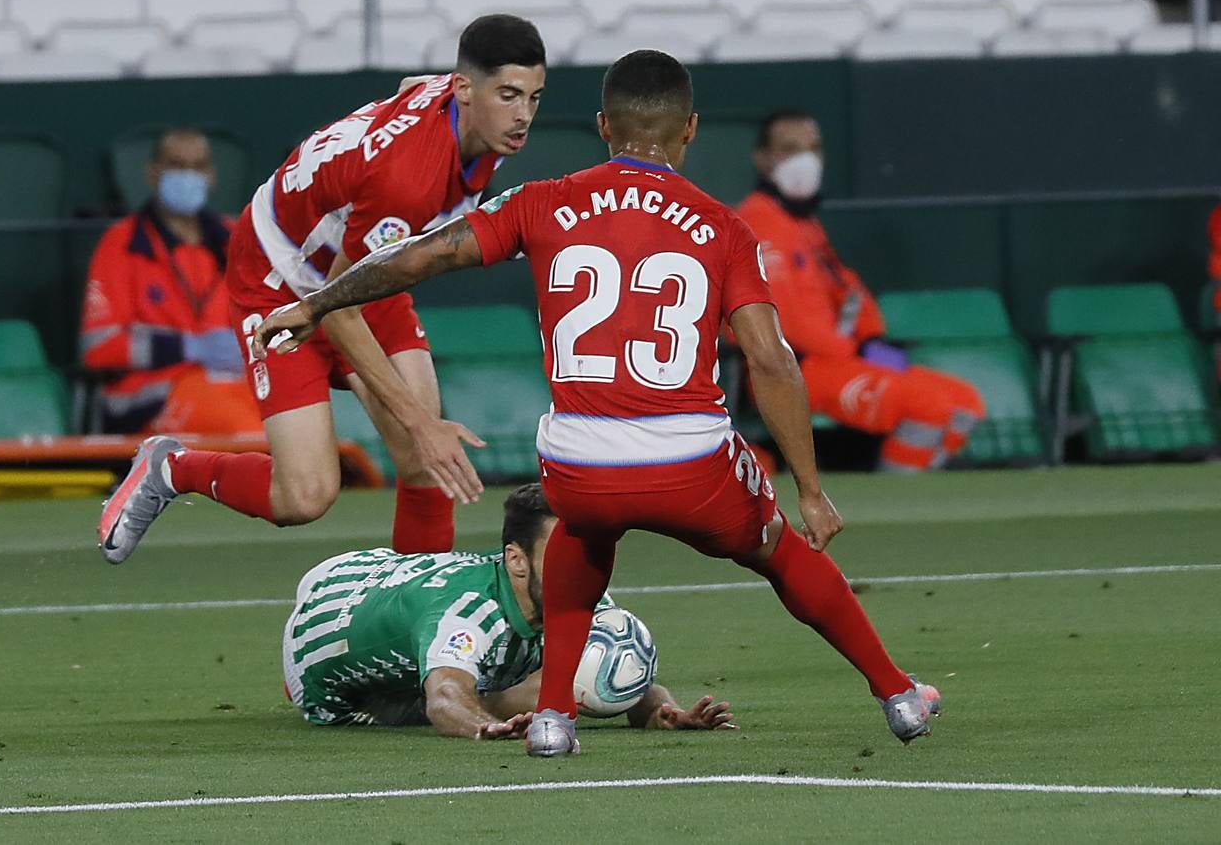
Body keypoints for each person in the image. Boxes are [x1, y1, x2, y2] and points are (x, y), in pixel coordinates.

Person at [251, 51, 941, 757]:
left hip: (581, 461)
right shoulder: (723, 227)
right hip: (690, 459)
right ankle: (898, 695)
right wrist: (812, 489)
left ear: (603, 125)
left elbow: (419, 257)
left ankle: (554, 718)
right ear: (690, 131)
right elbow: (771, 359)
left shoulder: (542, 201)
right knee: (781, 553)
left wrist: (318, 300)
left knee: (582, 537)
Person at [97, 14, 547, 564]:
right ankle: (170, 468)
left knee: (426, 464)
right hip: (279, 281)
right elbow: (336, 308)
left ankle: (417, 619)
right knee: (305, 496)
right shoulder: (407, 182)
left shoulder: (466, 109)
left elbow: (413, 87)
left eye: (533, 97)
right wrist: (419, 423)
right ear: (464, 90)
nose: (523, 115)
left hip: (359, 271)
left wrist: (420, 431)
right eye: (508, 95)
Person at [283, 484, 735, 738]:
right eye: (560, 550)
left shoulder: (578, 586)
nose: (578, 561)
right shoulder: (468, 614)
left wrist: (665, 711)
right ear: (517, 560)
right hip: (324, 631)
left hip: (389, 576)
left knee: (537, 686)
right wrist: (486, 726)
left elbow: (612, 675)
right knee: (482, 692)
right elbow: (443, 700)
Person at [733, 111, 985, 473]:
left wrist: (872, 338)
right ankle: (902, 502)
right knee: (930, 406)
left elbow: (848, 291)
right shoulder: (758, 222)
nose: (805, 159)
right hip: (792, 371)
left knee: (965, 401)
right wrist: (859, 351)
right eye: (789, 149)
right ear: (762, 158)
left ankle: (919, 485)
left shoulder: (803, 223)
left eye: (813, 149)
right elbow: (786, 325)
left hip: (835, 360)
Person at [80, 128, 258, 435]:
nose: (189, 175)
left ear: (212, 176)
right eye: (177, 165)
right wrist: (188, 348)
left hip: (231, 382)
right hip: (149, 397)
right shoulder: (122, 244)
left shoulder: (235, 240)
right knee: (243, 430)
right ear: (152, 174)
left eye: (198, 166)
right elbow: (99, 348)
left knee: (286, 424)